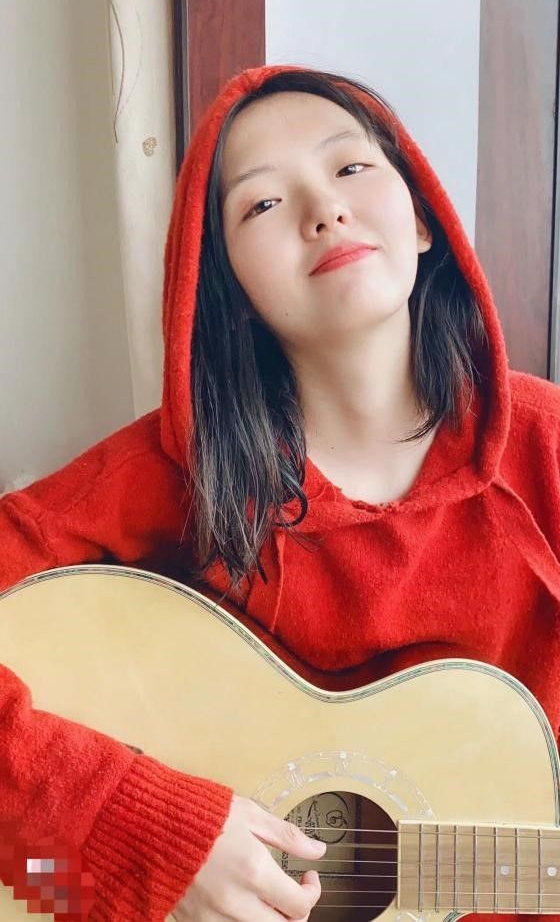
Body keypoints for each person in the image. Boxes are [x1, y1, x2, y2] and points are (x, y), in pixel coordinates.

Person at [1, 63, 560, 922]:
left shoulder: (547, 449)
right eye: (261, 203)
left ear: (421, 218)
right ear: (227, 286)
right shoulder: (172, 473)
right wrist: (141, 831)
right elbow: (35, 883)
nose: (324, 209)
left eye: (351, 167)